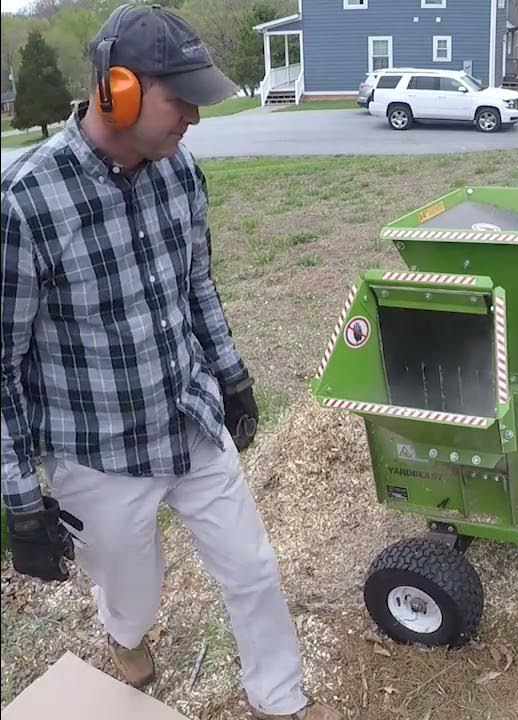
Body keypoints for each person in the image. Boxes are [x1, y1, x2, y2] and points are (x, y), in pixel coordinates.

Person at [0, 5, 340, 719]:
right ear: (114, 90)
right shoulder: (26, 203)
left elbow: (196, 286)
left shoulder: (178, 172)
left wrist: (232, 374)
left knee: (251, 569)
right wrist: (21, 499)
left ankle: (281, 701)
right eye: (178, 98)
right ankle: (126, 634)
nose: (193, 116)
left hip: (188, 415)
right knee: (135, 591)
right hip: (97, 451)